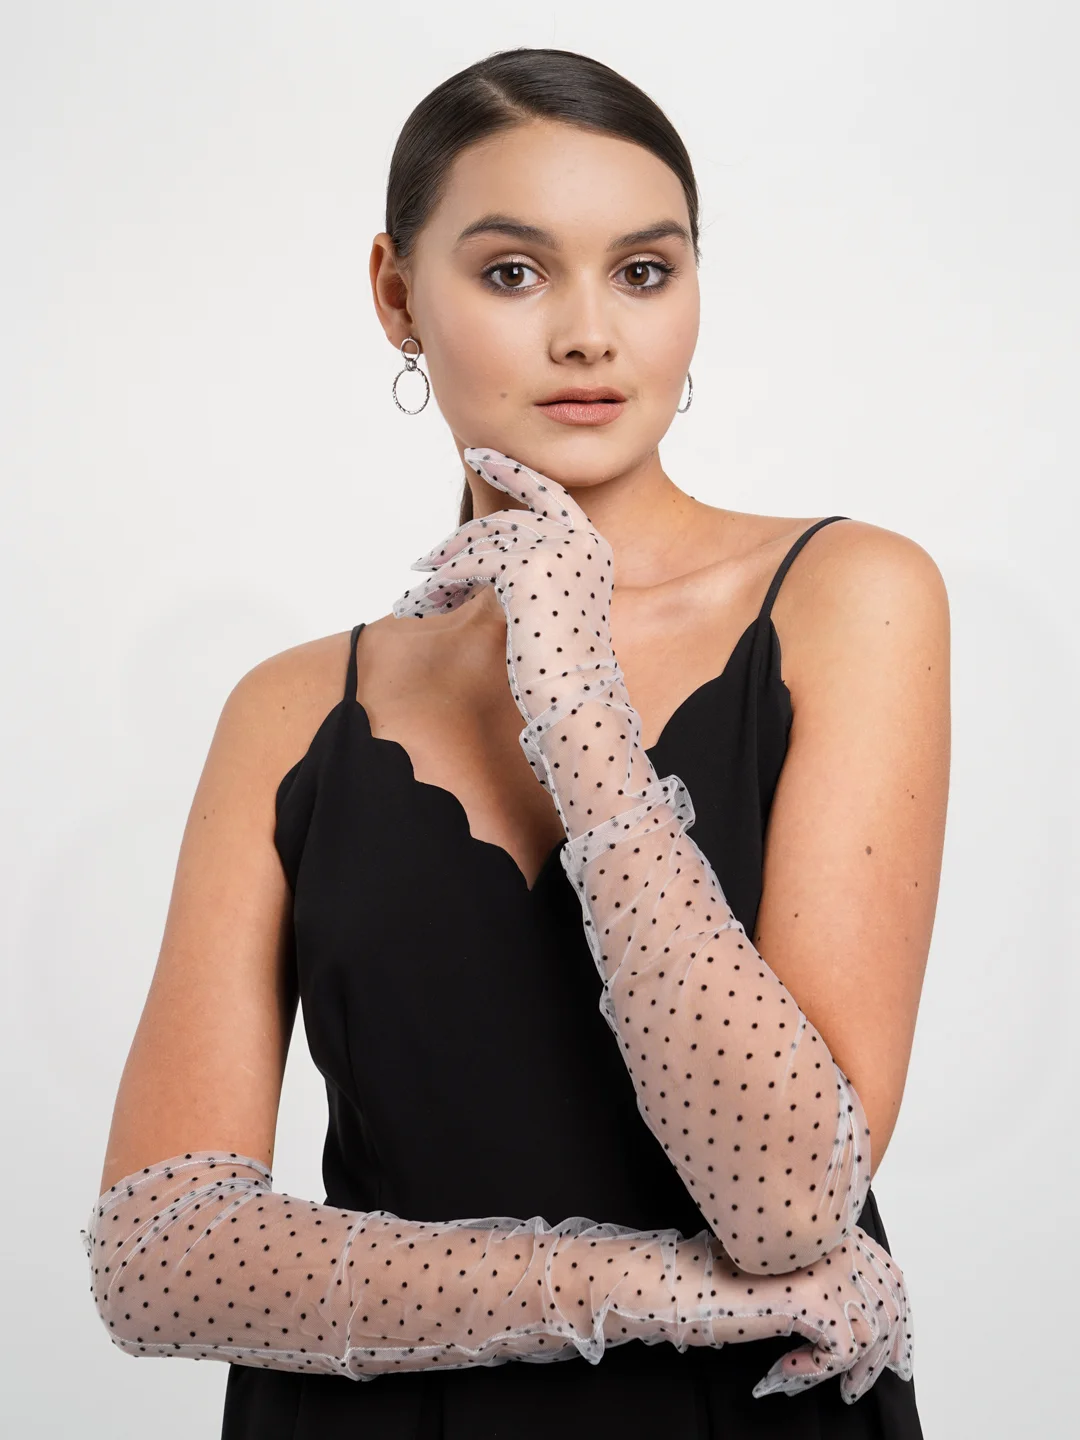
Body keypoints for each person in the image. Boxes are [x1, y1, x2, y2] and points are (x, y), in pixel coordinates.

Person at [80, 47, 947, 1440]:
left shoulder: (849, 597)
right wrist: (654, 1293)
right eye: (513, 272)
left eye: (644, 271)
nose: (590, 335)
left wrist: (575, 702)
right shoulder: (288, 710)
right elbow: (157, 1258)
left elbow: (787, 1204)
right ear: (395, 295)